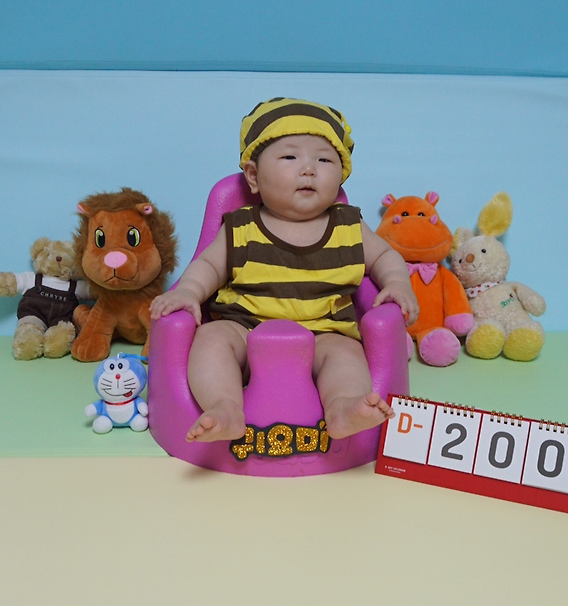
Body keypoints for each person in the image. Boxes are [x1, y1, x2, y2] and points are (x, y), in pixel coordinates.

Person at [149, 98, 419, 443]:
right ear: (253, 176)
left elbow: (384, 257)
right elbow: (208, 265)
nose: (309, 169)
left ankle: (342, 408)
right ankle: (225, 407)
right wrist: (188, 291)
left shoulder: (349, 226)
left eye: (324, 160)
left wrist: (397, 283)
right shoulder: (241, 227)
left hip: (324, 332)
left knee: (347, 356)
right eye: (290, 157)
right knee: (211, 341)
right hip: (245, 329)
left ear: (341, 174)